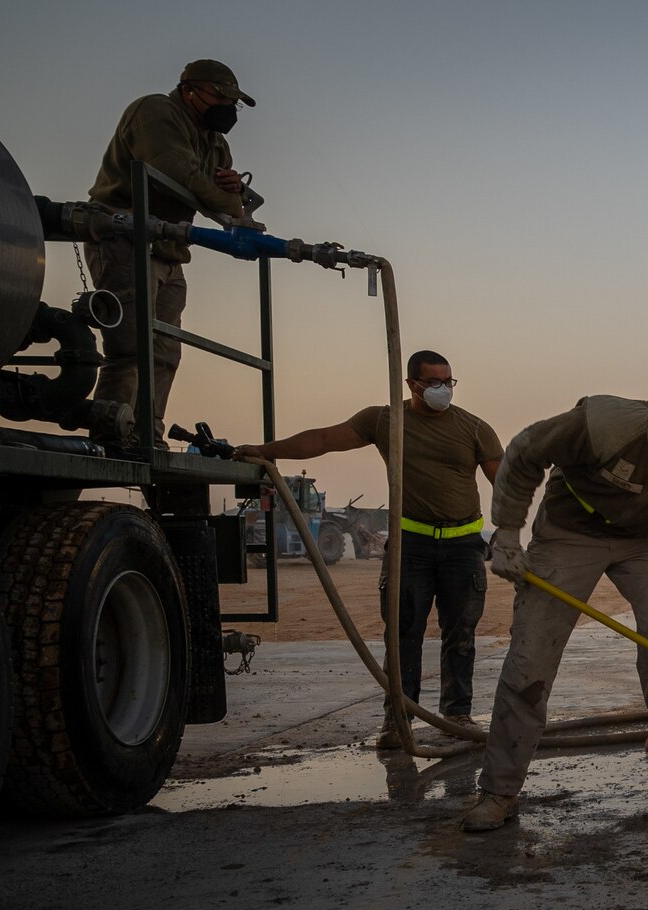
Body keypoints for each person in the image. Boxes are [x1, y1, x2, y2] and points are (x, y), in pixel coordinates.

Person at [460, 377, 648, 833]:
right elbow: (524, 452)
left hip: (641, 543)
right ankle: (499, 792)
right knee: (530, 660)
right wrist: (509, 533)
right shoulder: (605, 426)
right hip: (568, 533)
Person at [237, 350, 501, 721]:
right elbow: (324, 439)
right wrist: (265, 450)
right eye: (433, 382)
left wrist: (508, 531)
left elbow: (503, 481)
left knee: (460, 637)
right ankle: (399, 719)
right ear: (412, 384)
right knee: (402, 637)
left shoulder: (473, 428)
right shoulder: (384, 420)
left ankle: (456, 717)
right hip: (410, 548)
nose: (443, 389)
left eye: (448, 381)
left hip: (462, 547)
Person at [86, 60, 257, 445]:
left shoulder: (216, 143)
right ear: (189, 91)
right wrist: (229, 199)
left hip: (170, 251)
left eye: (234, 102)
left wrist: (233, 191)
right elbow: (183, 175)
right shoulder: (155, 112)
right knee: (129, 349)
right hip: (125, 240)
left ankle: (147, 436)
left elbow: (223, 196)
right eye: (221, 97)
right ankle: (111, 437)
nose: (228, 109)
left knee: (164, 354)